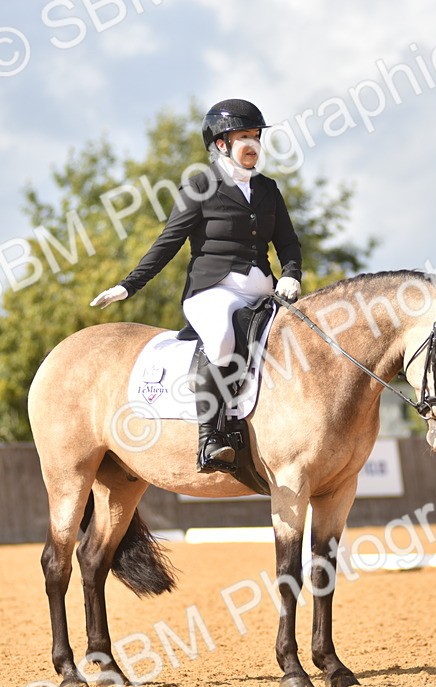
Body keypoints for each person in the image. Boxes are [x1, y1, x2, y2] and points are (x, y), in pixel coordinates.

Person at [90, 99, 302, 474]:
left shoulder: (268, 189)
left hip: (263, 290)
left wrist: (291, 273)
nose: (253, 144)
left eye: (255, 136)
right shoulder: (200, 186)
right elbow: (168, 242)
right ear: (222, 144)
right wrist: (129, 286)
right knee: (221, 339)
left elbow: (287, 241)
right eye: (243, 137)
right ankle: (210, 439)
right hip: (213, 291)